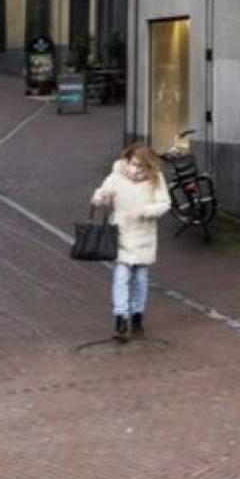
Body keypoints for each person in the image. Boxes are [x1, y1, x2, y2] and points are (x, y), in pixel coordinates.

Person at [90, 144, 172, 342]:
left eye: (141, 167)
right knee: (121, 276)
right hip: (121, 235)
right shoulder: (116, 175)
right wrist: (101, 197)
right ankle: (121, 319)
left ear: (149, 167)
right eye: (133, 164)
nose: (135, 170)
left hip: (144, 236)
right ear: (127, 160)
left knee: (141, 279)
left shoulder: (156, 179)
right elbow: (98, 198)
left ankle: (137, 317)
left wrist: (145, 210)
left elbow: (165, 204)